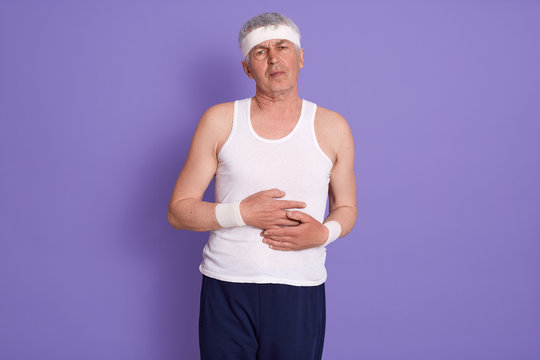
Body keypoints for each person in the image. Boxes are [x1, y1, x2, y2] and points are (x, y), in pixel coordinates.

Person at [168, 12, 356, 360]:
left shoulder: (332, 127)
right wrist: (240, 212)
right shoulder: (220, 120)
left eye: (282, 47)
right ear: (247, 68)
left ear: (300, 57)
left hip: (299, 287)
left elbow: (346, 207)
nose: (273, 57)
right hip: (227, 285)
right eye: (260, 51)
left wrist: (324, 233)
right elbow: (179, 211)